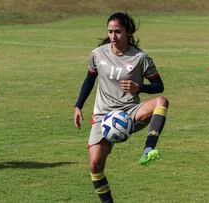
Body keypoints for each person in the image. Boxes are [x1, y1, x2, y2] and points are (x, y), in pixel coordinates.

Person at [73, 12, 169, 203]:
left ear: (127, 32)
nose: (113, 36)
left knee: (162, 101)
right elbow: (89, 79)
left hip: (130, 112)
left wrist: (139, 87)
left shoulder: (140, 58)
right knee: (95, 165)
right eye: (110, 31)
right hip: (103, 117)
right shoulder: (98, 54)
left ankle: (148, 149)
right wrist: (78, 106)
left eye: (117, 31)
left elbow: (159, 85)